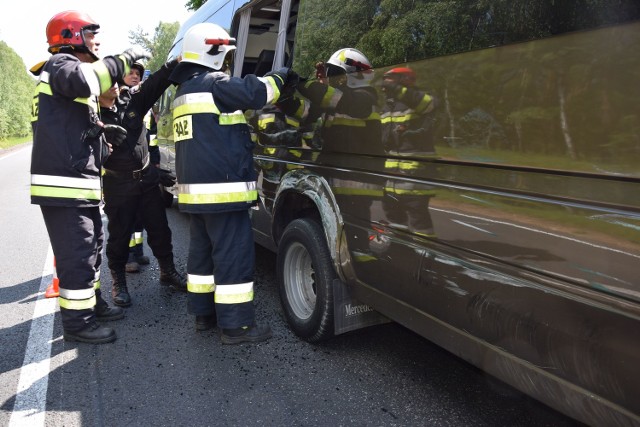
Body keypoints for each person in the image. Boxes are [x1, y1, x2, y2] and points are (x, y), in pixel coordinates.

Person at [169, 22, 297, 344]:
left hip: (195, 197)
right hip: (222, 195)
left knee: (201, 257)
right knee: (233, 257)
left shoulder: (182, 92)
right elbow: (256, 93)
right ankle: (237, 326)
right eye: (225, 55)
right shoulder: (215, 85)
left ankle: (203, 315)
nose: (227, 62)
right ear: (212, 53)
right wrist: (283, 76)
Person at [30, 10, 149, 344]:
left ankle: (92, 305)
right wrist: (123, 59)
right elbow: (89, 79)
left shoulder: (64, 76)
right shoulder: (60, 66)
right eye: (91, 33)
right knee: (78, 255)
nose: (97, 40)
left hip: (78, 186)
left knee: (92, 247)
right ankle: (78, 324)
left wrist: (101, 132)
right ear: (71, 36)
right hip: (65, 187)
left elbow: (71, 127)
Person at [99, 58, 185, 308]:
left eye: (116, 80)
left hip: (147, 180)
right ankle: (119, 283)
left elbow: (156, 84)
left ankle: (168, 272)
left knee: (160, 230)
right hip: (118, 186)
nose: (115, 85)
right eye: (109, 81)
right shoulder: (91, 116)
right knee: (119, 236)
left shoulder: (133, 102)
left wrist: (173, 65)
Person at [380, 67, 437, 237]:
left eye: (389, 79)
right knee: (392, 213)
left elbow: (427, 104)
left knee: (418, 218)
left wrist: (397, 90)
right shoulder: (387, 106)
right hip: (393, 177)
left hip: (415, 177)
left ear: (404, 80)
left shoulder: (419, 99)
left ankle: (425, 253)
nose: (384, 84)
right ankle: (401, 246)